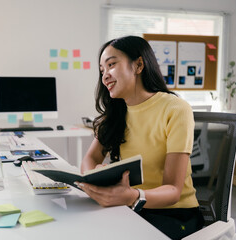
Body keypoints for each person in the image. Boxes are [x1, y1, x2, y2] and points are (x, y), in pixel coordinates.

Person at [75, 36, 204, 240]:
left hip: (175, 215)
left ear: (138, 65)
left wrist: (134, 196)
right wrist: (93, 179)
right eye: (102, 71)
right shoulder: (115, 114)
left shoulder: (175, 108)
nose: (105, 76)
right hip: (131, 208)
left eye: (111, 65)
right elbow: (89, 159)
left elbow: (173, 191)